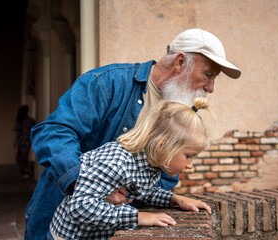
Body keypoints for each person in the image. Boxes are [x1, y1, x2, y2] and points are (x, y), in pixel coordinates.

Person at [25, 28, 241, 239]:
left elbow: (160, 179)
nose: (211, 88)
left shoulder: (181, 113)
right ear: (180, 62)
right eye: (208, 74)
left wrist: (171, 199)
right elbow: (54, 133)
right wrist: (84, 186)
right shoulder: (106, 82)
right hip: (57, 225)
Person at [49, 98, 212, 239]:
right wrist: (138, 217)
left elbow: (146, 192)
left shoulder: (151, 165)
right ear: (162, 145)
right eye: (189, 156)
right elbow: (80, 206)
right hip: (71, 236)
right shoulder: (117, 163)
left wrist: (175, 199)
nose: (190, 165)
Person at [13, 105, 35, 178]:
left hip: (22, 140)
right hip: (26, 141)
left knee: (21, 155)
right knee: (24, 155)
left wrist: (15, 142)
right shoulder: (30, 120)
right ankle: (24, 170)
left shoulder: (20, 120)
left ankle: (24, 170)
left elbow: (16, 132)